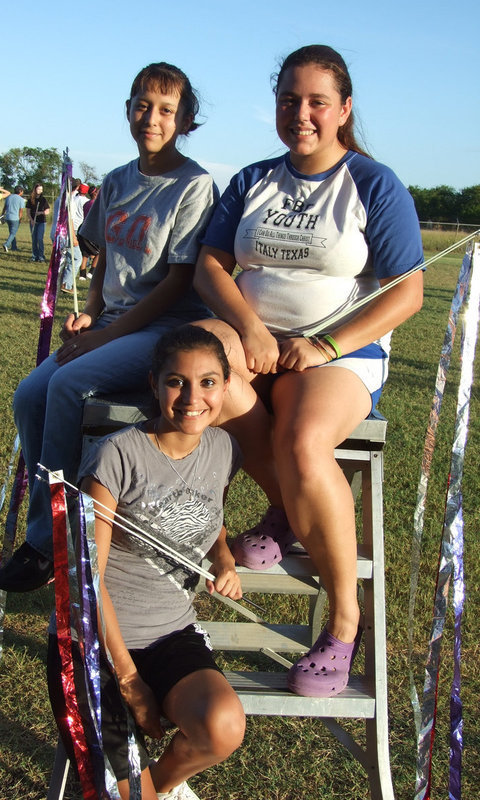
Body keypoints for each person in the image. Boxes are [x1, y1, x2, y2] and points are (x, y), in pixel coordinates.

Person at [193, 44, 424, 698]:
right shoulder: (253, 180)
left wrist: (325, 347)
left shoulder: (373, 184)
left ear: (343, 109)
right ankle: (286, 511)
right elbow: (212, 264)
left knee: (302, 439)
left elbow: (407, 293)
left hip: (337, 354)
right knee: (202, 372)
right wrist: (249, 327)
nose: (302, 114)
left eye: (317, 101)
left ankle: (344, 621)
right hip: (260, 340)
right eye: (289, 100)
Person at [0, 62, 217, 593]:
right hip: (113, 324)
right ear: (128, 110)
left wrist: (107, 335)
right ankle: (58, 514)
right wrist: (93, 312)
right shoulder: (116, 182)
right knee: (30, 394)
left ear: (185, 119)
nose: (152, 118)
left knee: (69, 384)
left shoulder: (194, 185)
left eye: (166, 109)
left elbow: (176, 282)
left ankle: (46, 544)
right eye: (142, 105)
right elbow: (102, 261)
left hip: (162, 330)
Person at [47, 325, 245, 800]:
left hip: (170, 634)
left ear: (226, 384)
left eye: (208, 382)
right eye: (177, 381)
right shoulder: (116, 456)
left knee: (222, 726)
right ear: (154, 383)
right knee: (125, 796)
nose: (192, 397)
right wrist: (129, 678)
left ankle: (157, 785)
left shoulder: (223, 447)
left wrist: (223, 556)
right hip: (94, 644)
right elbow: (85, 580)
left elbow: (211, 514)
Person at [26, 183, 50, 262]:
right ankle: (34, 256)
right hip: (33, 222)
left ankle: (41, 256)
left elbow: (47, 211)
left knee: (40, 238)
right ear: (35, 189)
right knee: (34, 239)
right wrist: (32, 220)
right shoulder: (30, 200)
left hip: (41, 222)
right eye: (39, 189)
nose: (40, 191)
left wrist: (41, 213)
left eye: (41, 189)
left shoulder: (43, 200)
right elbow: (28, 212)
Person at [2, 186, 25, 252]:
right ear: (20, 191)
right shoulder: (20, 199)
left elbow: (5, 207)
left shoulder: (9, 197)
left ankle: (14, 246)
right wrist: (20, 218)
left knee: (11, 232)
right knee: (13, 233)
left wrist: (3, 215)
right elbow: (21, 210)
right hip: (15, 218)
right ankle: (6, 244)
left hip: (8, 217)